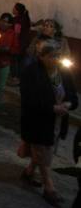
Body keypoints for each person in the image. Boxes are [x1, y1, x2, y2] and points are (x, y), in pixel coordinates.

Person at [20, 39, 78, 207]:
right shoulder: (31, 72)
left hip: (57, 122)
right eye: (52, 56)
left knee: (44, 150)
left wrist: (69, 104)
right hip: (38, 120)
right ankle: (49, 188)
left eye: (58, 56)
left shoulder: (63, 72)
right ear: (41, 56)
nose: (56, 60)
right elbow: (29, 99)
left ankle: (29, 172)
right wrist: (51, 108)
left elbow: (73, 95)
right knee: (44, 153)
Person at [9, 2, 31, 85]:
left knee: (14, 61)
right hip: (24, 44)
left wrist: (14, 44)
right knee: (20, 62)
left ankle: (15, 79)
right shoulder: (25, 18)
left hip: (18, 44)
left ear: (17, 11)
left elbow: (17, 33)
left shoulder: (18, 20)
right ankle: (19, 79)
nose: (12, 9)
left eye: (14, 8)